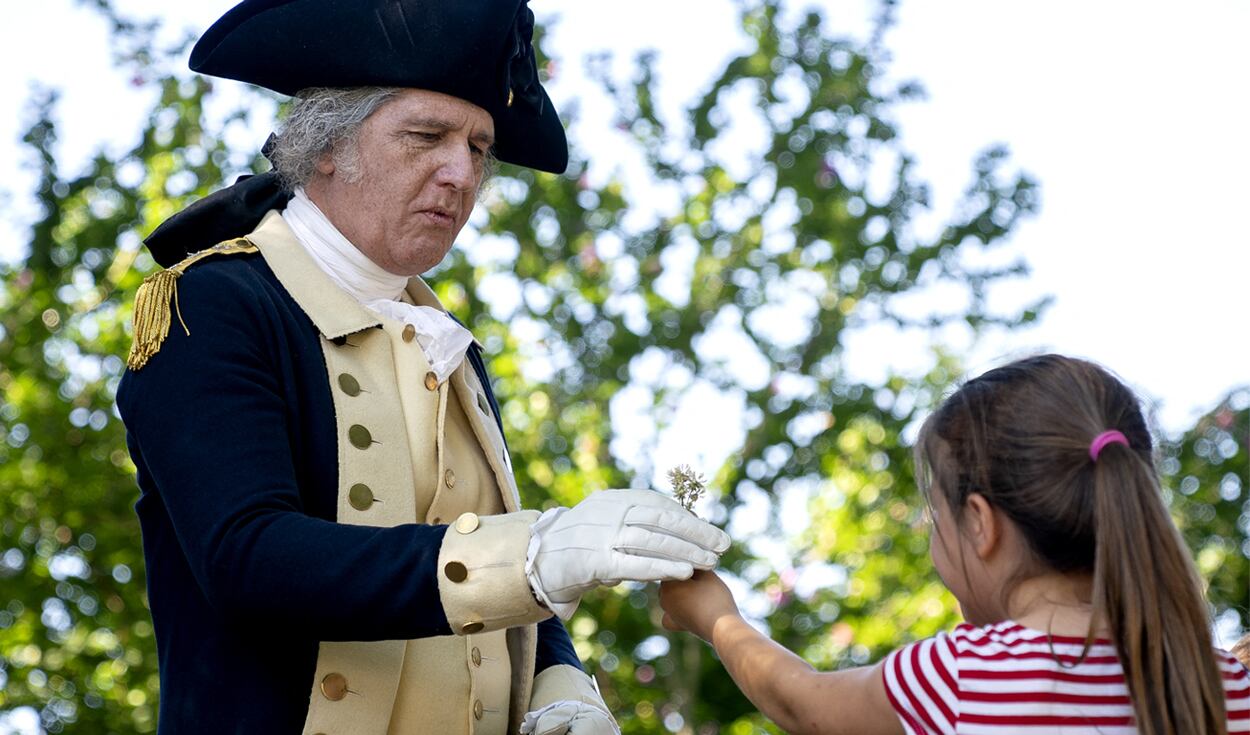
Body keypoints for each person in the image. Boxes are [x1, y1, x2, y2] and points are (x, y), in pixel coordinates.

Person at [115, 1, 730, 734]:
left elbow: (490, 573)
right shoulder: (213, 302)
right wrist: (532, 555)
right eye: (427, 136)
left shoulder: (446, 342)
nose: (461, 173)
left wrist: (560, 688)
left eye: (479, 147)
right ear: (326, 146)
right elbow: (247, 558)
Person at [658, 354, 1250, 734]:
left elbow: (803, 702)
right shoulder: (1227, 684)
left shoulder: (966, 674)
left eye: (935, 517)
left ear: (980, 524)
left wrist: (717, 619)